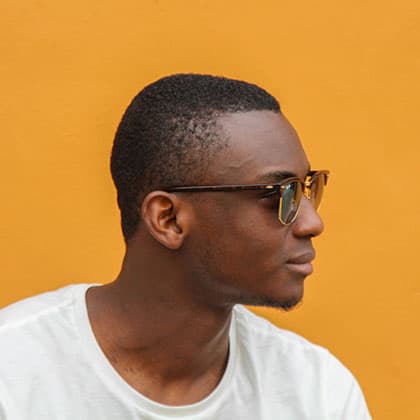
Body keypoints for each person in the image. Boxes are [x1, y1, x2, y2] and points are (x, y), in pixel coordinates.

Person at [0, 74, 371, 419]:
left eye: (307, 189)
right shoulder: (14, 374)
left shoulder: (316, 392)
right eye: (280, 195)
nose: (312, 223)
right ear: (168, 219)